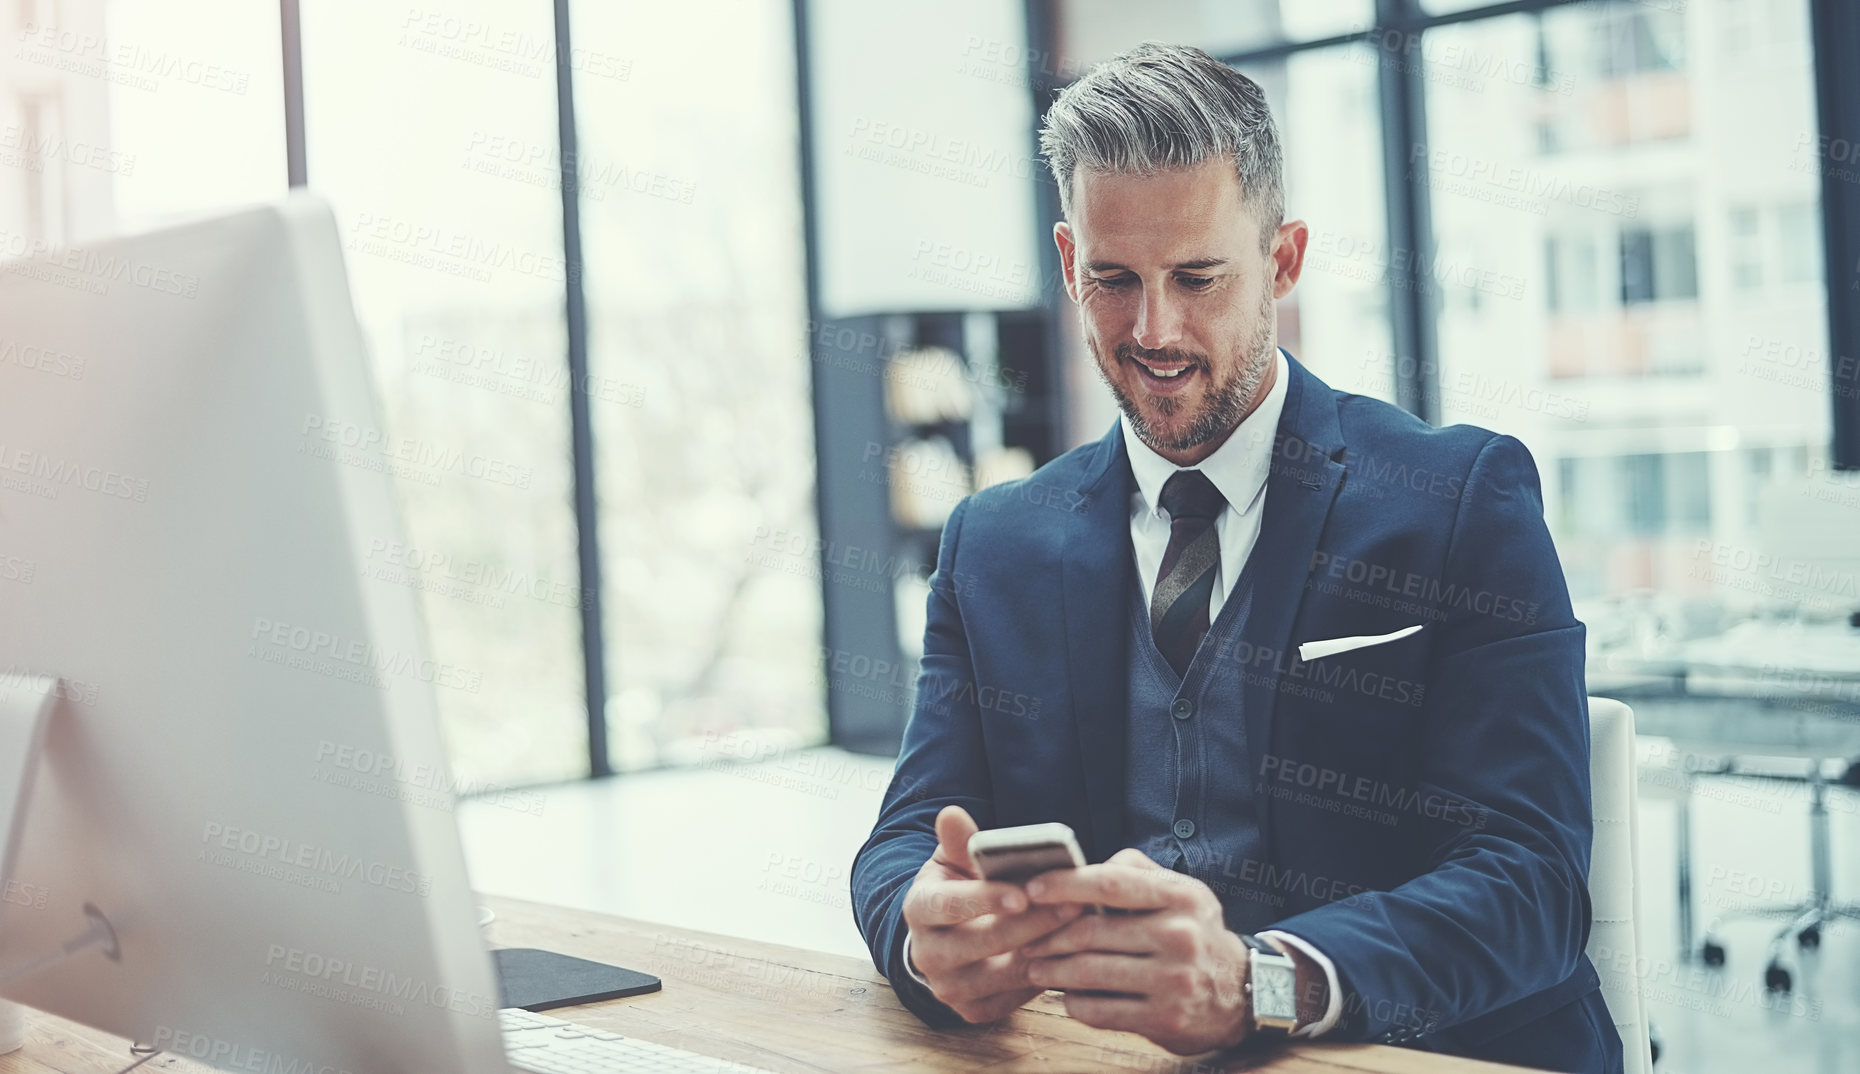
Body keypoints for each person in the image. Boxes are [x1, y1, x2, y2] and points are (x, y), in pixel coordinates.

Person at [849, 42, 1622, 1073]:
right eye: (1115, 281)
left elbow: (1530, 881)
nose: (1155, 330)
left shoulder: (1461, 500)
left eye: (1199, 277)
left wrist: (1260, 983)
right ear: (1071, 263)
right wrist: (923, 926)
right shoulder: (993, 541)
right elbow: (902, 840)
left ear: (1285, 260)